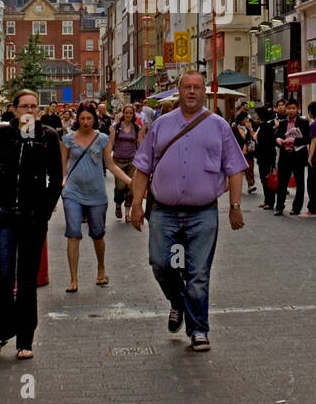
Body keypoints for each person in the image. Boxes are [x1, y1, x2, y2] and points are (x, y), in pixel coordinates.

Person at [130, 71, 247, 351]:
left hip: (202, 212)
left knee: (197, 273)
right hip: (164, 211)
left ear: (203, 92)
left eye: (197, 87)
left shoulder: (219, 126)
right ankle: (178, 302)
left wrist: (235, 207)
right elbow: (143, 166)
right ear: (178, 91)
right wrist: (136, 204)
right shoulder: (161, 125)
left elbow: (235, 168)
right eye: (187, 87)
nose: (192, 92)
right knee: (162, 264)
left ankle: (198, 330)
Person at [0, 91, 63, 359]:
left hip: (32, 218)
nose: (29, 110)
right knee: (3, 277)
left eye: (34, 106)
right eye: (24, 106)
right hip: (5, 217)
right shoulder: (3, 135)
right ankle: (0, 335)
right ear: (14, 109)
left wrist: (45, 211)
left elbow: (56, 177)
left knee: (27, 280)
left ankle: (25, 340)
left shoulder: (47, 136)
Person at [61, 102, 130, 291]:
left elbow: (111, 165)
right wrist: (60, 187)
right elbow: (63, 168)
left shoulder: (102, 139)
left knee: (97, 234)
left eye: (88, 118)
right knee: (73, 233)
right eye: (82, 118)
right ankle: (73, 278)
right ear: (77, 119)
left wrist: (131, 182)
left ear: (94, 119)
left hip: (96, 193)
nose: (85, 122)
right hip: (73, 192)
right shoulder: (68, 139)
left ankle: (101, 268)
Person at [274, 100, 310, 215]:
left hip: (298, 155)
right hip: (285, 155)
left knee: (300, 182)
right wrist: (278, 140)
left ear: (298, 108)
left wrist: (294, 140)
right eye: (288, 108)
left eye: (293, 108)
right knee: (282, 183)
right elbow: (278, 135)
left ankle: (296, 208)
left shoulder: (303, 122)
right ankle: (279, 207)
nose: (290, 111)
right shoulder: (283, 123)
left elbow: (307, 139)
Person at [110, 103, 144, 221]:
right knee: (120, 187)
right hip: (118, 160)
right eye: (126, 113)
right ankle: (118, 204)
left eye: (130, 113)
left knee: (131, 187)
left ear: (133, 114)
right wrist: (107, 158)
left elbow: (140, 144)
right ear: (123, 114)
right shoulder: (117, 127)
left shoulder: (136, 128)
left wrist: (143, 159)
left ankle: (127, 212)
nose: (128, 115)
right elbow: (111, 143)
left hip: (132, 161)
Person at [253, 105, 277, 209]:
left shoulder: (266, 127)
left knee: (268, 179)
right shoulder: (262, 126)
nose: (255, 116)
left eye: (256, 114)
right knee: (264, 179)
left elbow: (267, 144)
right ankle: (267, 200)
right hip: (262, 157)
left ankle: (270, 202)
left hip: (266, 157)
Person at [231, 110, 257, 194]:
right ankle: (236, 185)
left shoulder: (249, 127)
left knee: (250, 168)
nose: (247, 120)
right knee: (237, 170)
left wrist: (250, 129)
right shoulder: (234, 128)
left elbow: (254, 138)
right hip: (237, 152)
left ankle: (251, 185)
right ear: (241, 119)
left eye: (247, 118)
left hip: (248, 151)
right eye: (245, 118)